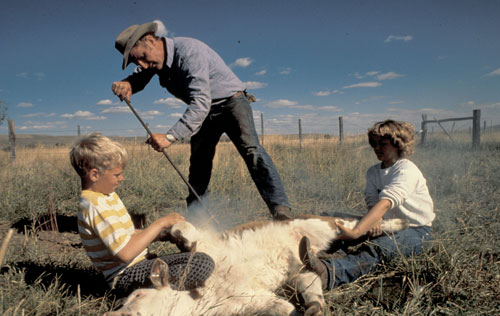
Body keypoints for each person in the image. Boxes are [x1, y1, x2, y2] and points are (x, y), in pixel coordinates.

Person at [111, 20, 292, 220]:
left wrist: (170, 137)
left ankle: (281, 211)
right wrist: (128, 84)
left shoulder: (189, 52)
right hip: (206, 110)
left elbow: (200, 102)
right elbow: (140, 76)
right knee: (199, 163)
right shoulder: (154, 60)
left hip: (231, 103)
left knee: (252, 152)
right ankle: (199, 220)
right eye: (138, 63)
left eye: (143, 58)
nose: (144, 65)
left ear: (150, 41)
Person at [69, 132, 215, 296]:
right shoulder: (95, 206)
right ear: (95, 174)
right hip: (126, 276)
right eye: (117, 174)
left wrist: (163, 235)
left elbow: (127, 236)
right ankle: (153, 297)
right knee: (202, 263)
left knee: (195, 257)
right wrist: (160, 223)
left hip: (140, 265)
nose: (122, 178)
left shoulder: (106, 196)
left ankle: (162, 290)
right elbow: (125, 253)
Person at [300, 119, 435, 290]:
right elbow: (373, 202)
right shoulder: (373, 171)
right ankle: (315, 249)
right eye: (374, 145)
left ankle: (329, 272)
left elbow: (386, 202)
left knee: (379, 248)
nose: (377, 149)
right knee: (331, 217)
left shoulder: (406, 170)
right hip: (385, 222)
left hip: (415, 230)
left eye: (383, 144)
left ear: (397, 144)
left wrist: (357, 232)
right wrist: (374, 221)